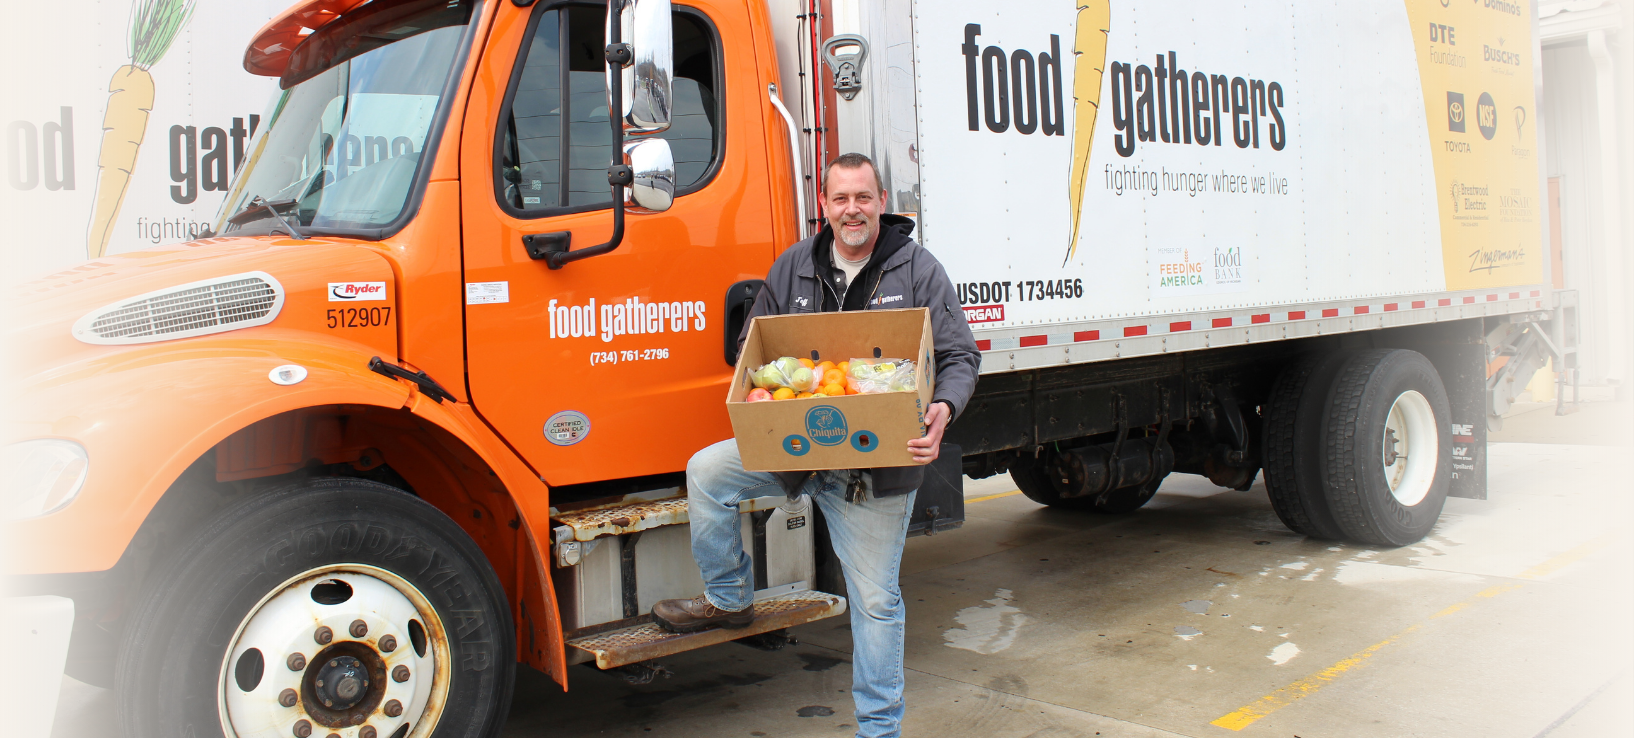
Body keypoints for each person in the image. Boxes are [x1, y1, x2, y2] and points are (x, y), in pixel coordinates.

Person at [650, 152, 980, 738]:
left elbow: (959, 356)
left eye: (863, 197)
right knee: (707, 472)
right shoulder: (793, 267)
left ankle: (879, 730)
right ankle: (730, 598)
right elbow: (757, 345)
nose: (852, 210)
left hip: (872, 473)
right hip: (798, 455)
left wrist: (942, 409)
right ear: (823, 206)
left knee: (876, 603)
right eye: (840, 199)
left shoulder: (916, 270)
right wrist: (761, 380)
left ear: (881, 202)